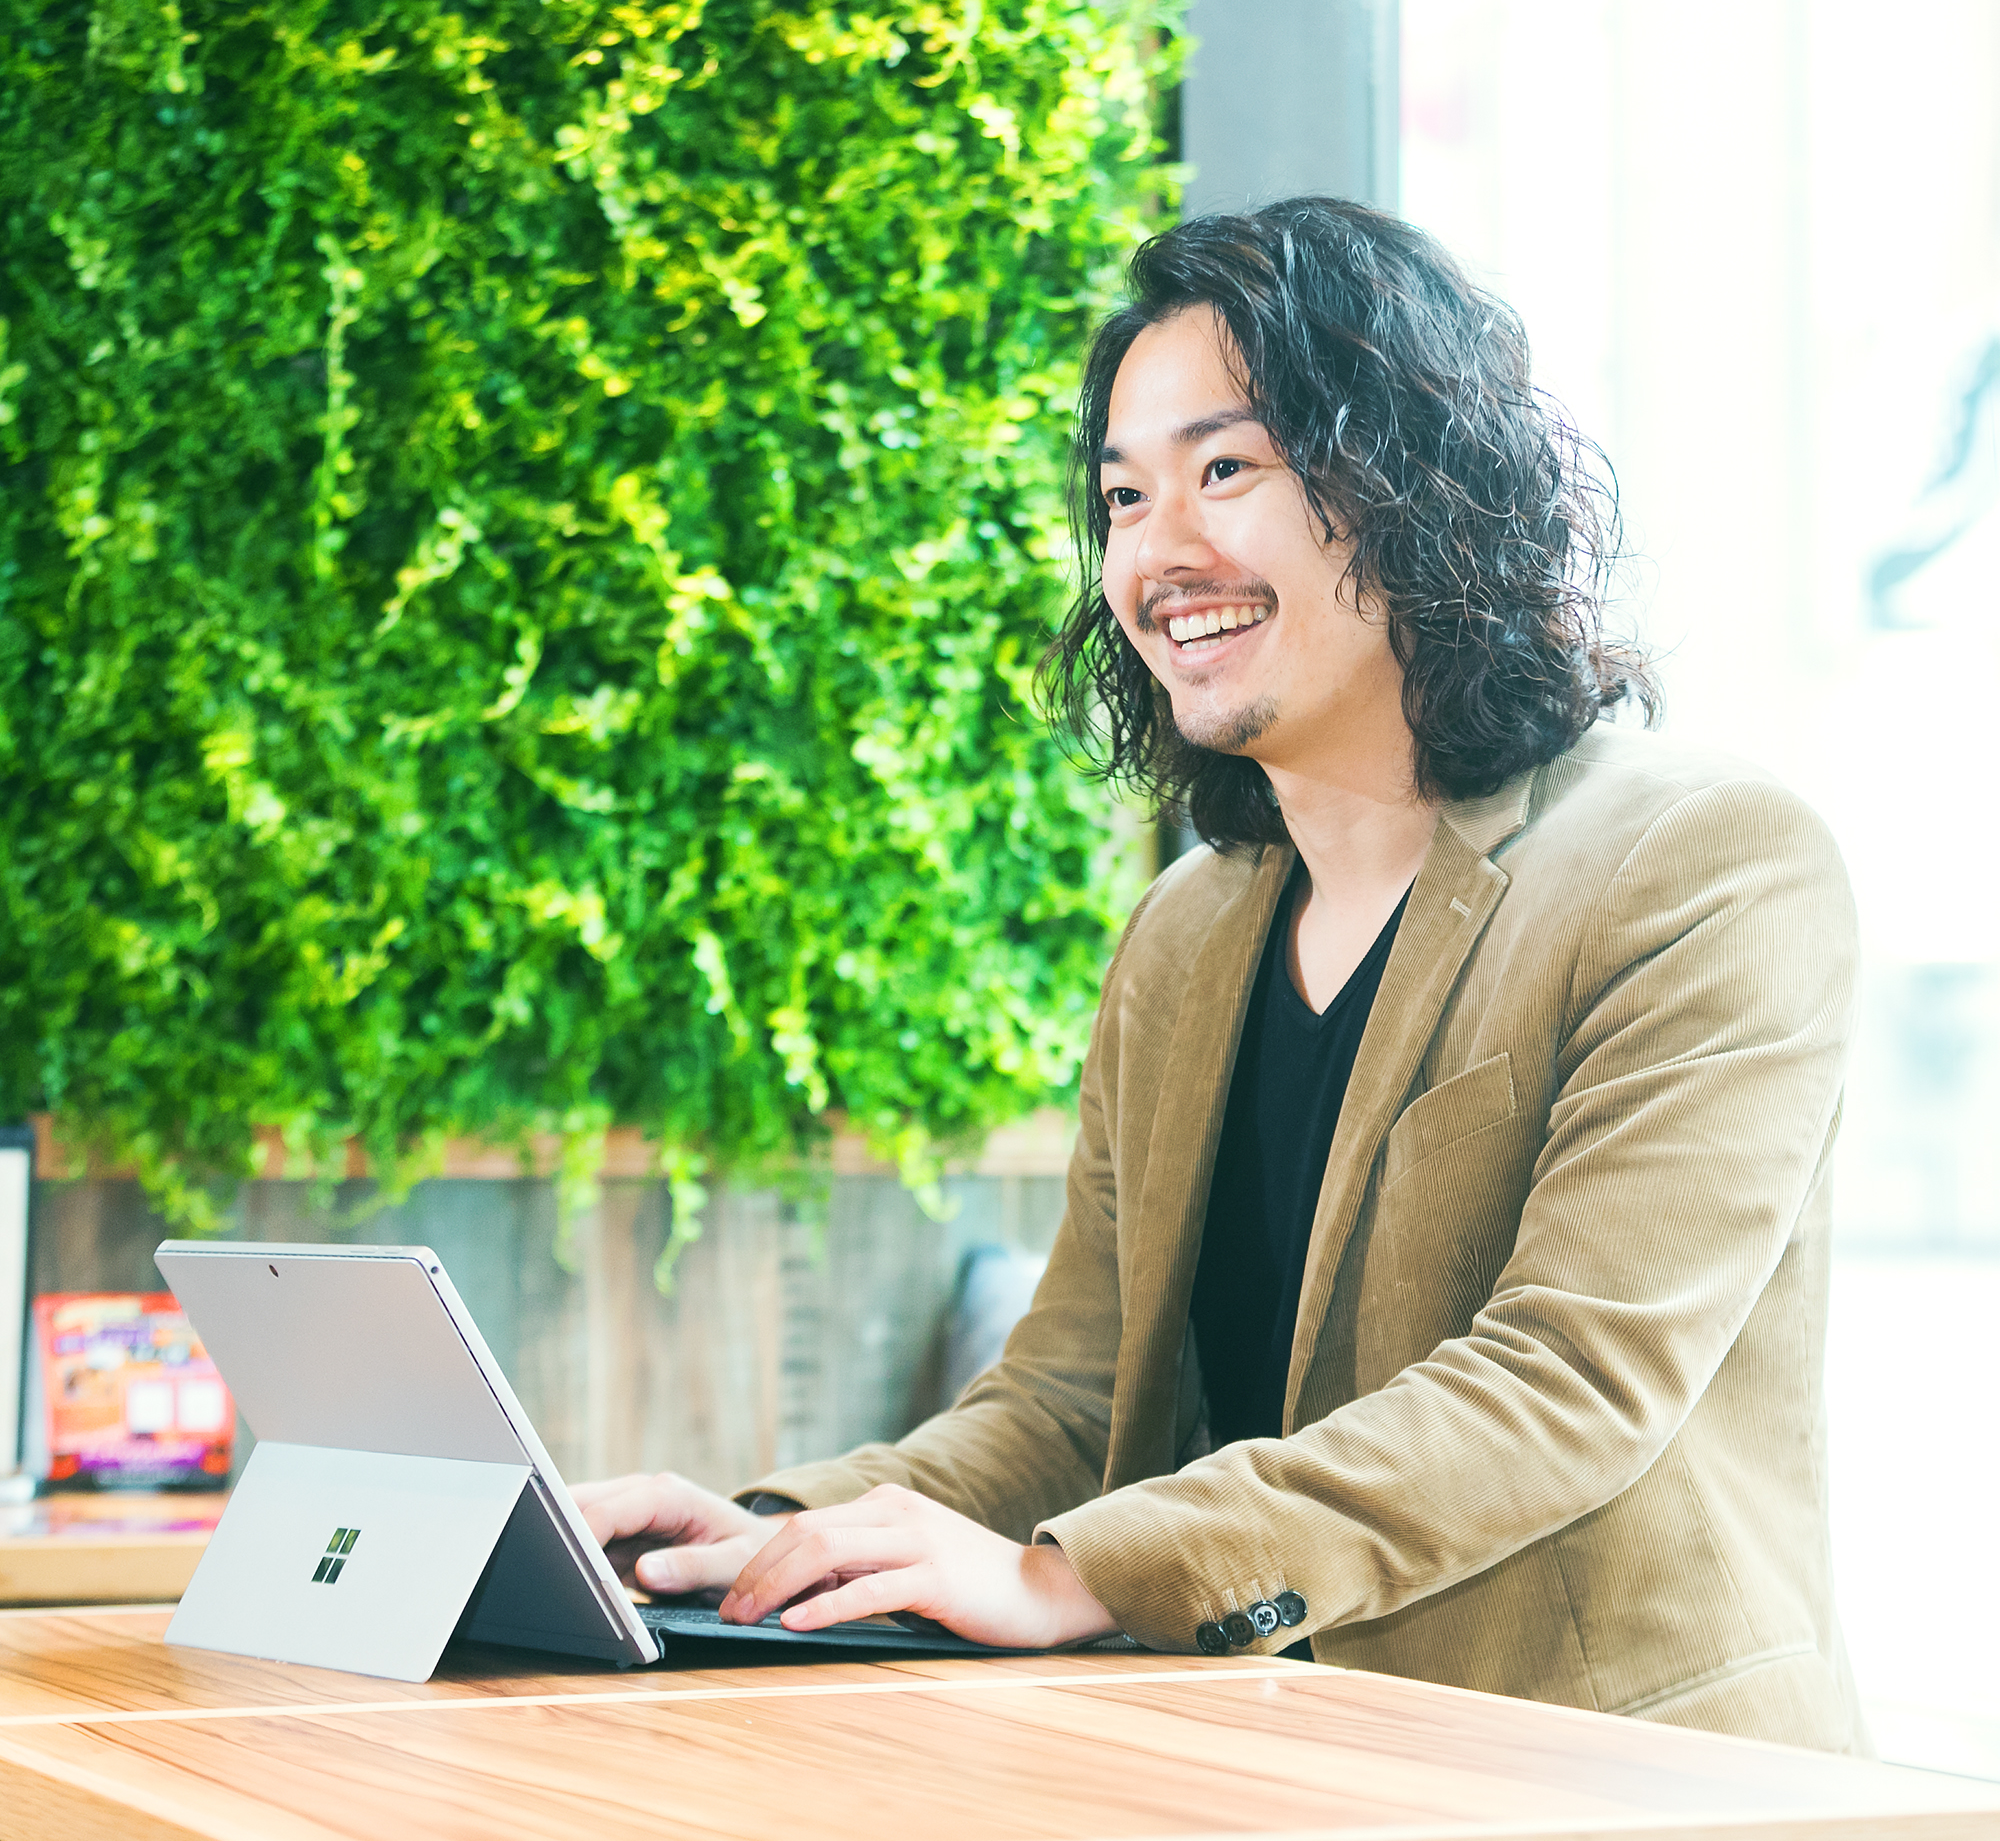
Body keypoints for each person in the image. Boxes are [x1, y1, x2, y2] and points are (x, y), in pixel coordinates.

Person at [575, 197, 1864, 1749]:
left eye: (1224, 470)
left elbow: (1566, 1385)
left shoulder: (1707, 863)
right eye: (1123, 498)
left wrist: (1073, 1576)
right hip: (1278, 1776)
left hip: (1622, 1789)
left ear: (1413, 487)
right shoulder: (1191, 932)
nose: (1157, 551)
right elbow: (1067, 1399)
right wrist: (762, 1538)